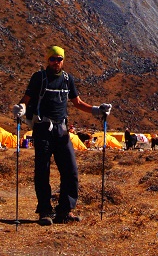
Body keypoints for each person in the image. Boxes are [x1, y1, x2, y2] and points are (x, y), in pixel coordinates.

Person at [12, 45, 112, 226]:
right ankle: (44, 210)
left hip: (62, 130)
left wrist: (98, 110)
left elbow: (78, 102)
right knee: (42, 171)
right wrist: (20, 110)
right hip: (42, 129)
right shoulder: (39, 78)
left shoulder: (67, 79)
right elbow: (25, 101)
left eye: (59, 59)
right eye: (53, 59)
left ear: (63, 61)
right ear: (47, 60)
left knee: (71, 170)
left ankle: (65, 211)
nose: (56, 62)